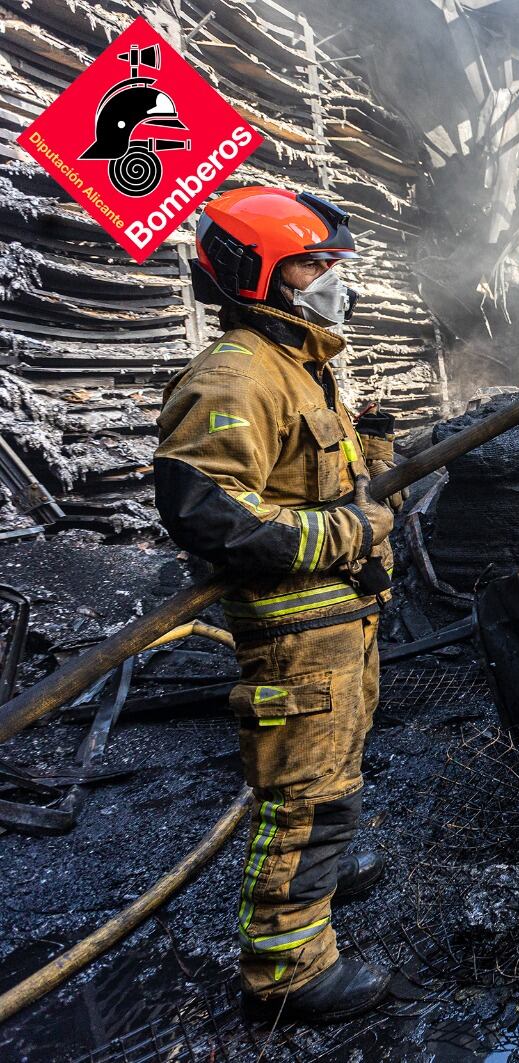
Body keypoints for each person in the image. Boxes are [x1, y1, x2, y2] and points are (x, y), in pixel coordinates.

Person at [153, 186, 402, 1021]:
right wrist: (344, 531)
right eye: (313, 263)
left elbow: (302, 475)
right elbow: (206, 507)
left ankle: (321, 875)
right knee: (303, 796)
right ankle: (288, 969)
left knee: (334, 775)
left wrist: (370, 450)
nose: (334, 278)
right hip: (297, 632)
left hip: (338, 623)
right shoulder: (238, 372)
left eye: (335, 262)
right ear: (256, 274)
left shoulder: (298, 364)